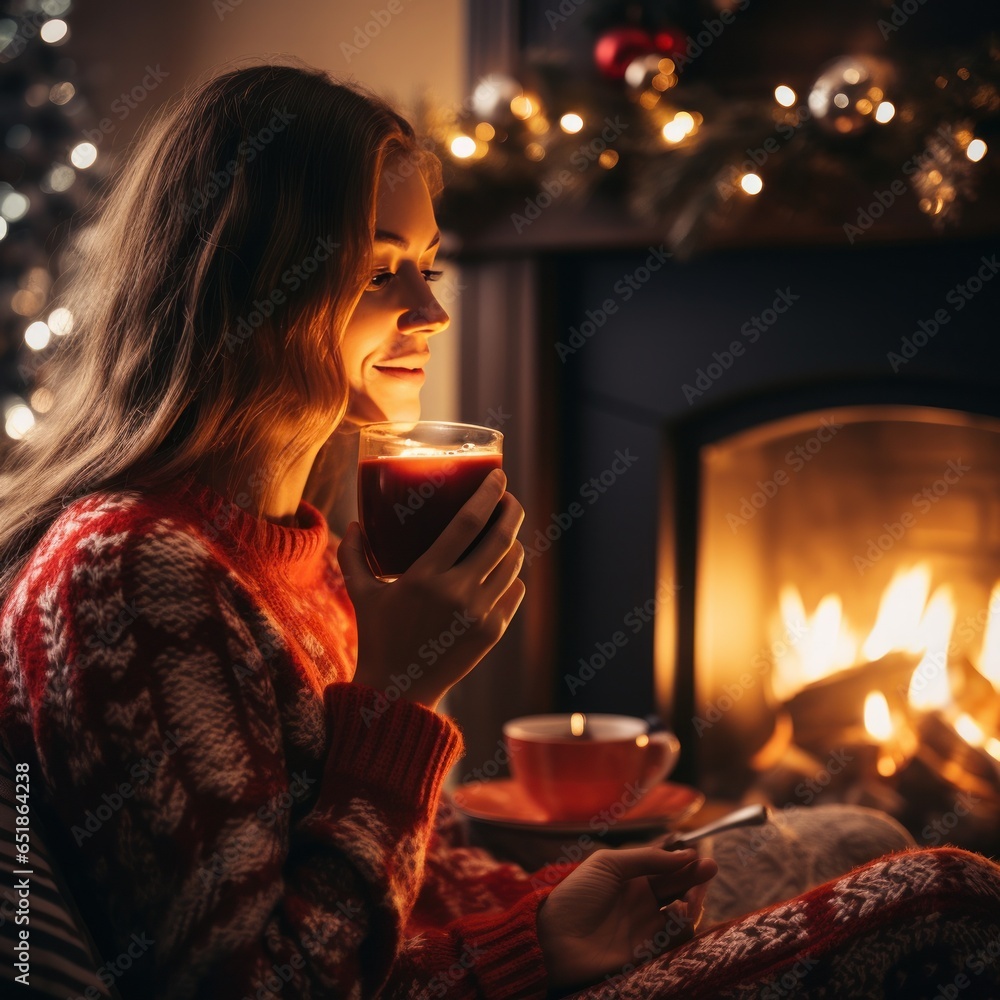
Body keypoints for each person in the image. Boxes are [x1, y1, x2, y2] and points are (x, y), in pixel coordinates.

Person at [2, 60, 999, 1000]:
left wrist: (540, 923)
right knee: (947, 899)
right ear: (253, 285)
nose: (431, 309)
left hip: (479, 968)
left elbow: (397, 884)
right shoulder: (132, 571)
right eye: (382, 269)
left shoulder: (291, 542)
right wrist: (402, 695)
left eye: (428, 263)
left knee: (858, 830)